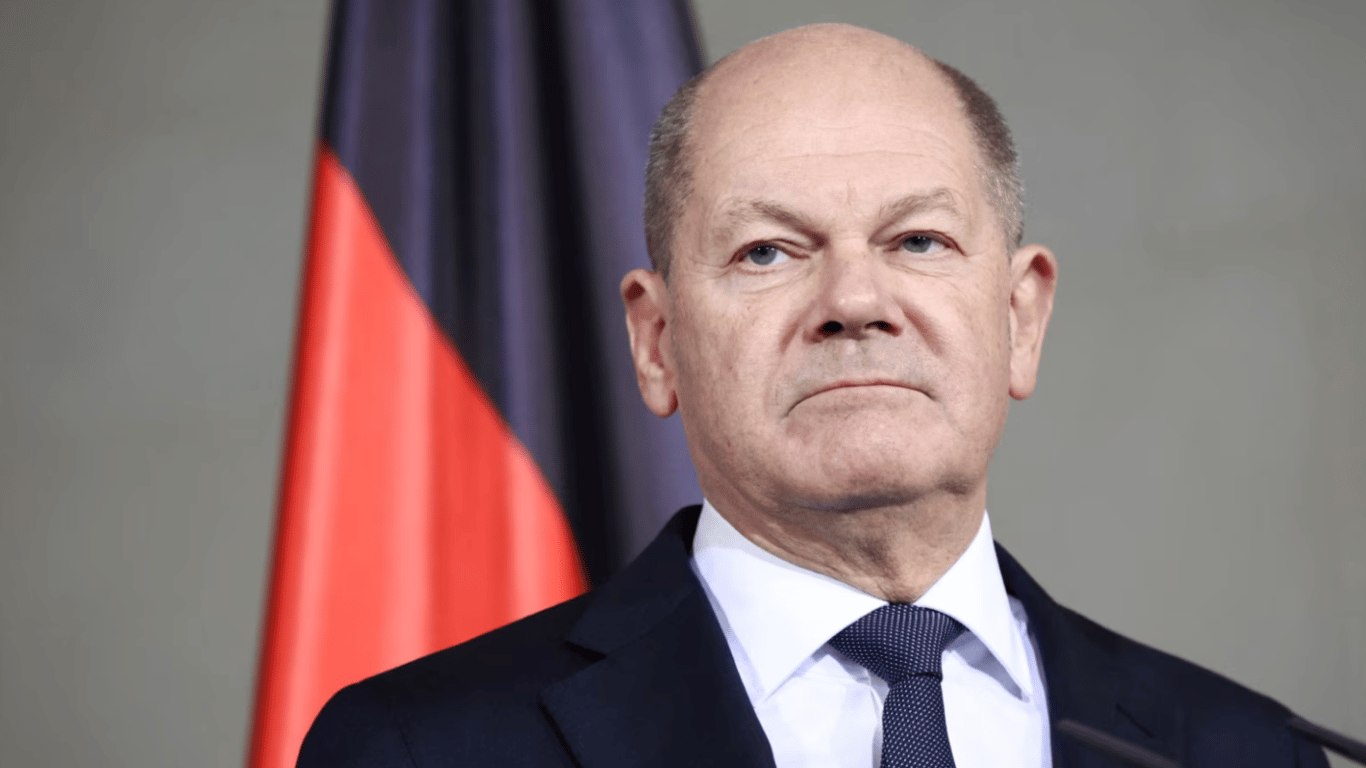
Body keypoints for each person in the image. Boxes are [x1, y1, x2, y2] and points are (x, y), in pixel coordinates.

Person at [297, 23, 1329, 768]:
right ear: (657, 342)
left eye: (917, 240)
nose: (854, 302)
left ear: (1020, 318)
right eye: (767, 251)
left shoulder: (1240, 749)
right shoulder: (420, 748)